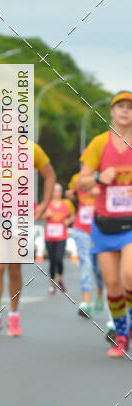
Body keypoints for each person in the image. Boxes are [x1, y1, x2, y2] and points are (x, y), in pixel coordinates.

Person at [0, 136, 56, 335]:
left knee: (14, 268)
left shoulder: (32, 149)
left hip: (20, 212)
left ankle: (14, 315)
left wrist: (44, 204)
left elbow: (50, 176)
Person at [77, 91, 132, 358]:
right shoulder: (99, 143)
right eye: (120, 106)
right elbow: (81, 181)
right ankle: (121, 335)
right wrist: (99, 176)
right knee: (112, 285)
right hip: (104, 224)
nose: (125, 111)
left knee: (129, 275)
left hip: (130, 224)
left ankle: (128, 327)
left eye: (130, 107)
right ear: (112, 111)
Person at [66, 173, 105, 322]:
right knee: (85, 263)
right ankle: (86, 303)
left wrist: (97, 189)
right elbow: (72, 192)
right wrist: (71, 194)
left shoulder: (103, 176)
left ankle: (100, 292)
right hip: (81, 229)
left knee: (99, 268)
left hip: (100, 229)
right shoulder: (78, 178)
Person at [39, 183, 75, 294]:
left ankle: (60, 280)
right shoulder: (47, 204)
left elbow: (73, 215)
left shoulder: (67, 203)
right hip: (49, 237)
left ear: (61, 192)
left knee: (59, 259)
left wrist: (68, 221)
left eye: (59, 190)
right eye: (54, 190)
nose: (56, 192)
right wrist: (46, 215)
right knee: (52, 260)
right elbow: (39, 217)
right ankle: (52, 284)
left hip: (61, 236)